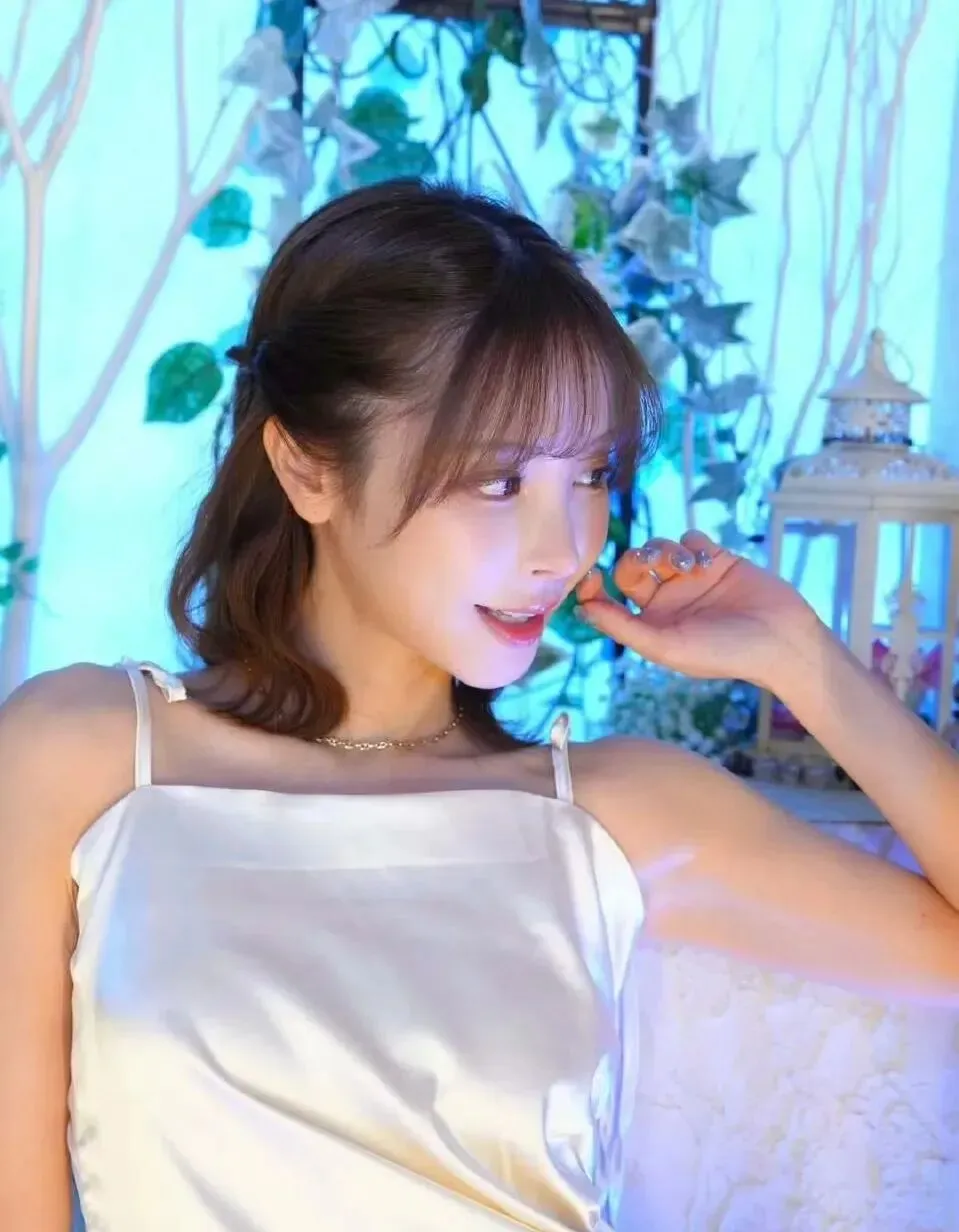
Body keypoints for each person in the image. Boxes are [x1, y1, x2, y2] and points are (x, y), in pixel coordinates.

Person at [1, 180, 957, 1232]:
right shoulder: (82, 757)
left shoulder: (615, 812)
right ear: (307, 468)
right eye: (499, 482)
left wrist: (804, 661)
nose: (562, 547)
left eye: (589, 474)